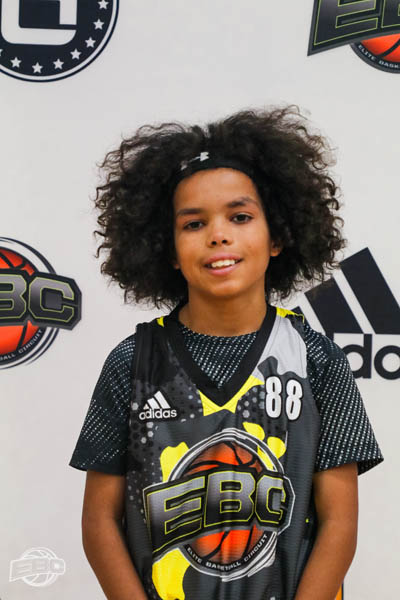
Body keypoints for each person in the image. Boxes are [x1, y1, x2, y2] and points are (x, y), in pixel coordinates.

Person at [69, 106, 383, 600]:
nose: (218, 234)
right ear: (168, 250)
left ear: (278, 235)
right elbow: (99, 521)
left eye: (240, 217)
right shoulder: (131, 362)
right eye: (194, 223)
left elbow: (339, 523)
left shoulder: (317, 359)